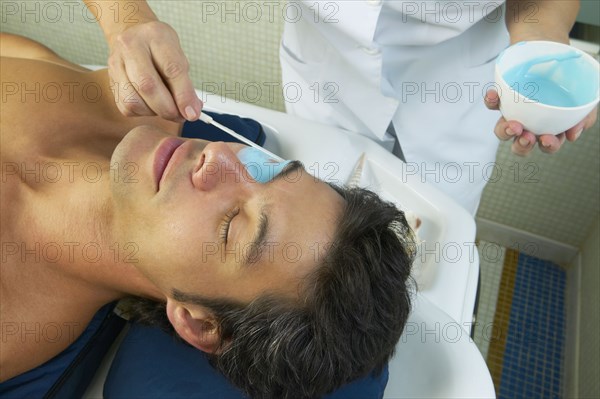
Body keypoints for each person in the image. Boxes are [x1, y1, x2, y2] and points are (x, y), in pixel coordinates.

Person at [0, 34, 415, 398]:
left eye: (233, 225)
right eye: (264, 168)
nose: (217, 156)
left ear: (198, 324)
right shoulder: (138, 106)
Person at [84, 0, 597, 214]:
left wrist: (537, 43)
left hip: (464, 87)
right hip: (324, 71)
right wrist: (125, 20)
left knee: (440, 235)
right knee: (324, 207)